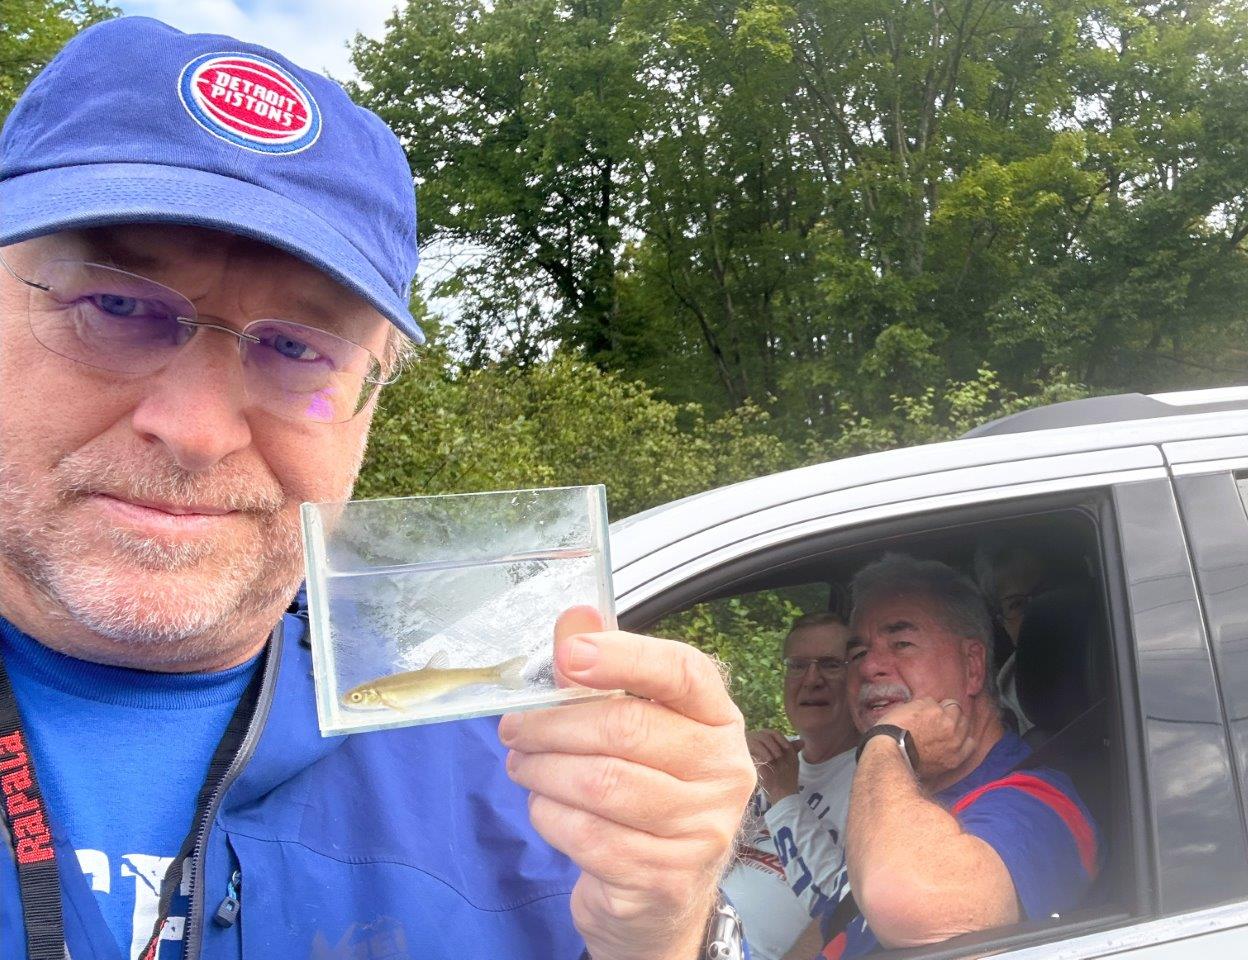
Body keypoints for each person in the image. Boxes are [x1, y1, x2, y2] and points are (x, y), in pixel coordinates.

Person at [0, 17, 754, 960]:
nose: (195, 429)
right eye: (115, 306)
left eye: (296, 349)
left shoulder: (542, 797)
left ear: (371, 400)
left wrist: (666, 935)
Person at [818, 554, 1099, 959]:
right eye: (858, 653)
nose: (869, 667)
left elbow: (914, 905)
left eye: (902, 644)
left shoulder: (1042, 805)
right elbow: (836, 929)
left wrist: (889, 742)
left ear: (972, 666)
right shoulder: (899, 796)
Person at [723, 612, 859, 960]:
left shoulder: (870, 778)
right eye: (798, 665)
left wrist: (784, 797)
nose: (811, 679)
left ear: (857, 677)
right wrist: (729, 774)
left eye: (831, 665)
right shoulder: (769, 757)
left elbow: (839, 909)